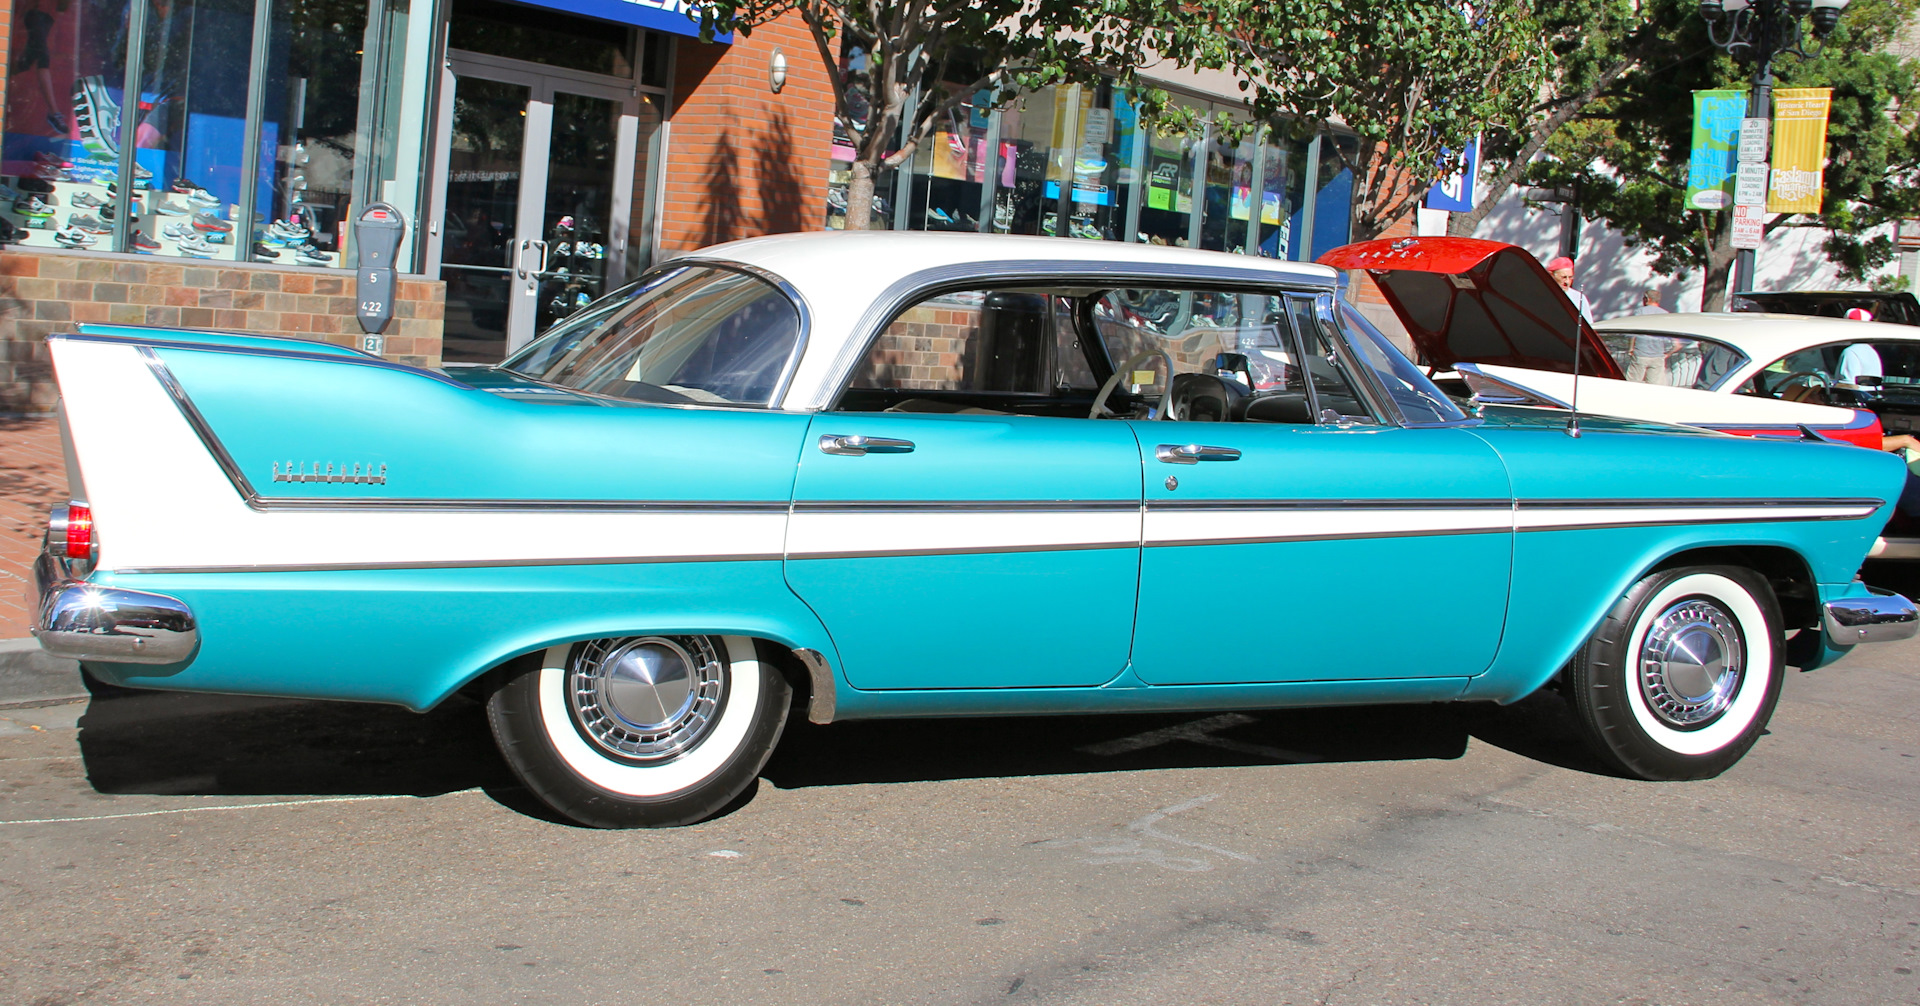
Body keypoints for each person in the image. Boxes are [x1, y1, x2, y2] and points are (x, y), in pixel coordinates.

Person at [1545, 256, 1594, 323]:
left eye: (1570, 277)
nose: (1567, 282)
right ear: (1551, 275)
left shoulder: (1579, 298)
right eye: (1564, 277)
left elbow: (1589, 324)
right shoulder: (1543, 294)